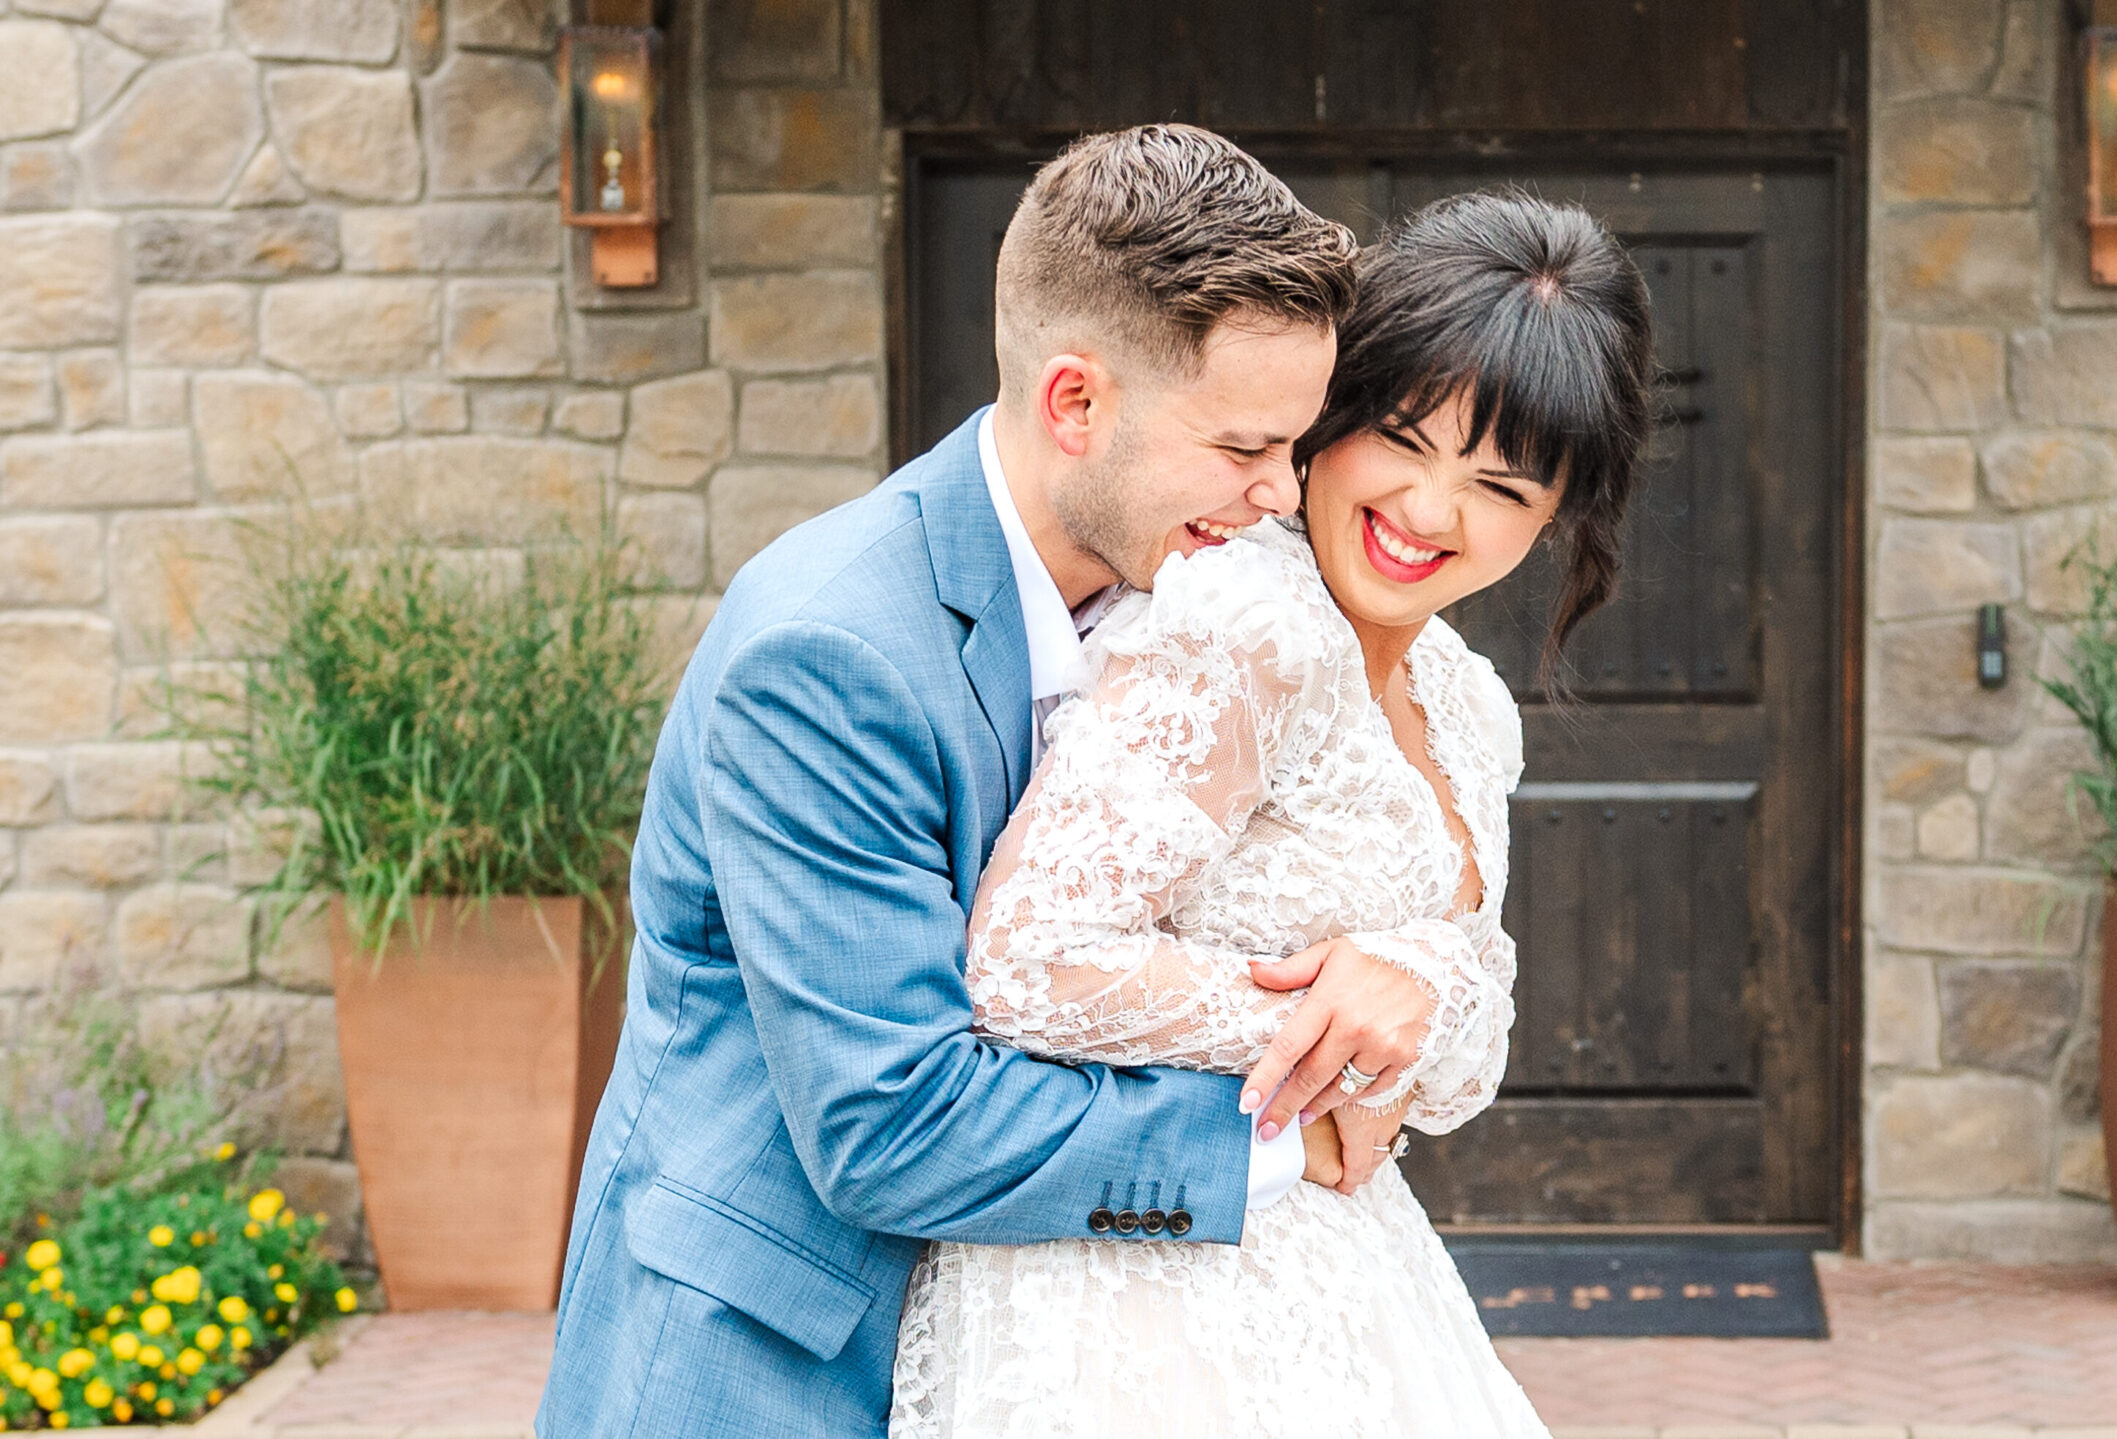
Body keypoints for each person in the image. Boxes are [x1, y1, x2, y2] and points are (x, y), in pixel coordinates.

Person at [537, 125, 1449, 1439]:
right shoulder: (831, 653)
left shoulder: (1184, 601)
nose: (1276, 494)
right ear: (1075, 402)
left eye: (1294, 448)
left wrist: (1375, 970)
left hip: (1016, 1349)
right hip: (771, 1362)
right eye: (1244, 445)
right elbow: (891, 1120)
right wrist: (1276, 1138)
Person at [889, 189, 1656, 1438]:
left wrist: (1415, 982)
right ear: (1331, 418)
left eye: (1498, 485)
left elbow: (1455, 1063)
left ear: (1557, 515)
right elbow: (1024, 961)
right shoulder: (1243, 624)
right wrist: (1321, 1024)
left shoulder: (1463, 704)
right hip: (1139, 1293)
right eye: (1403, 439)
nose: (1428, 512)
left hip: (1346, 1277)